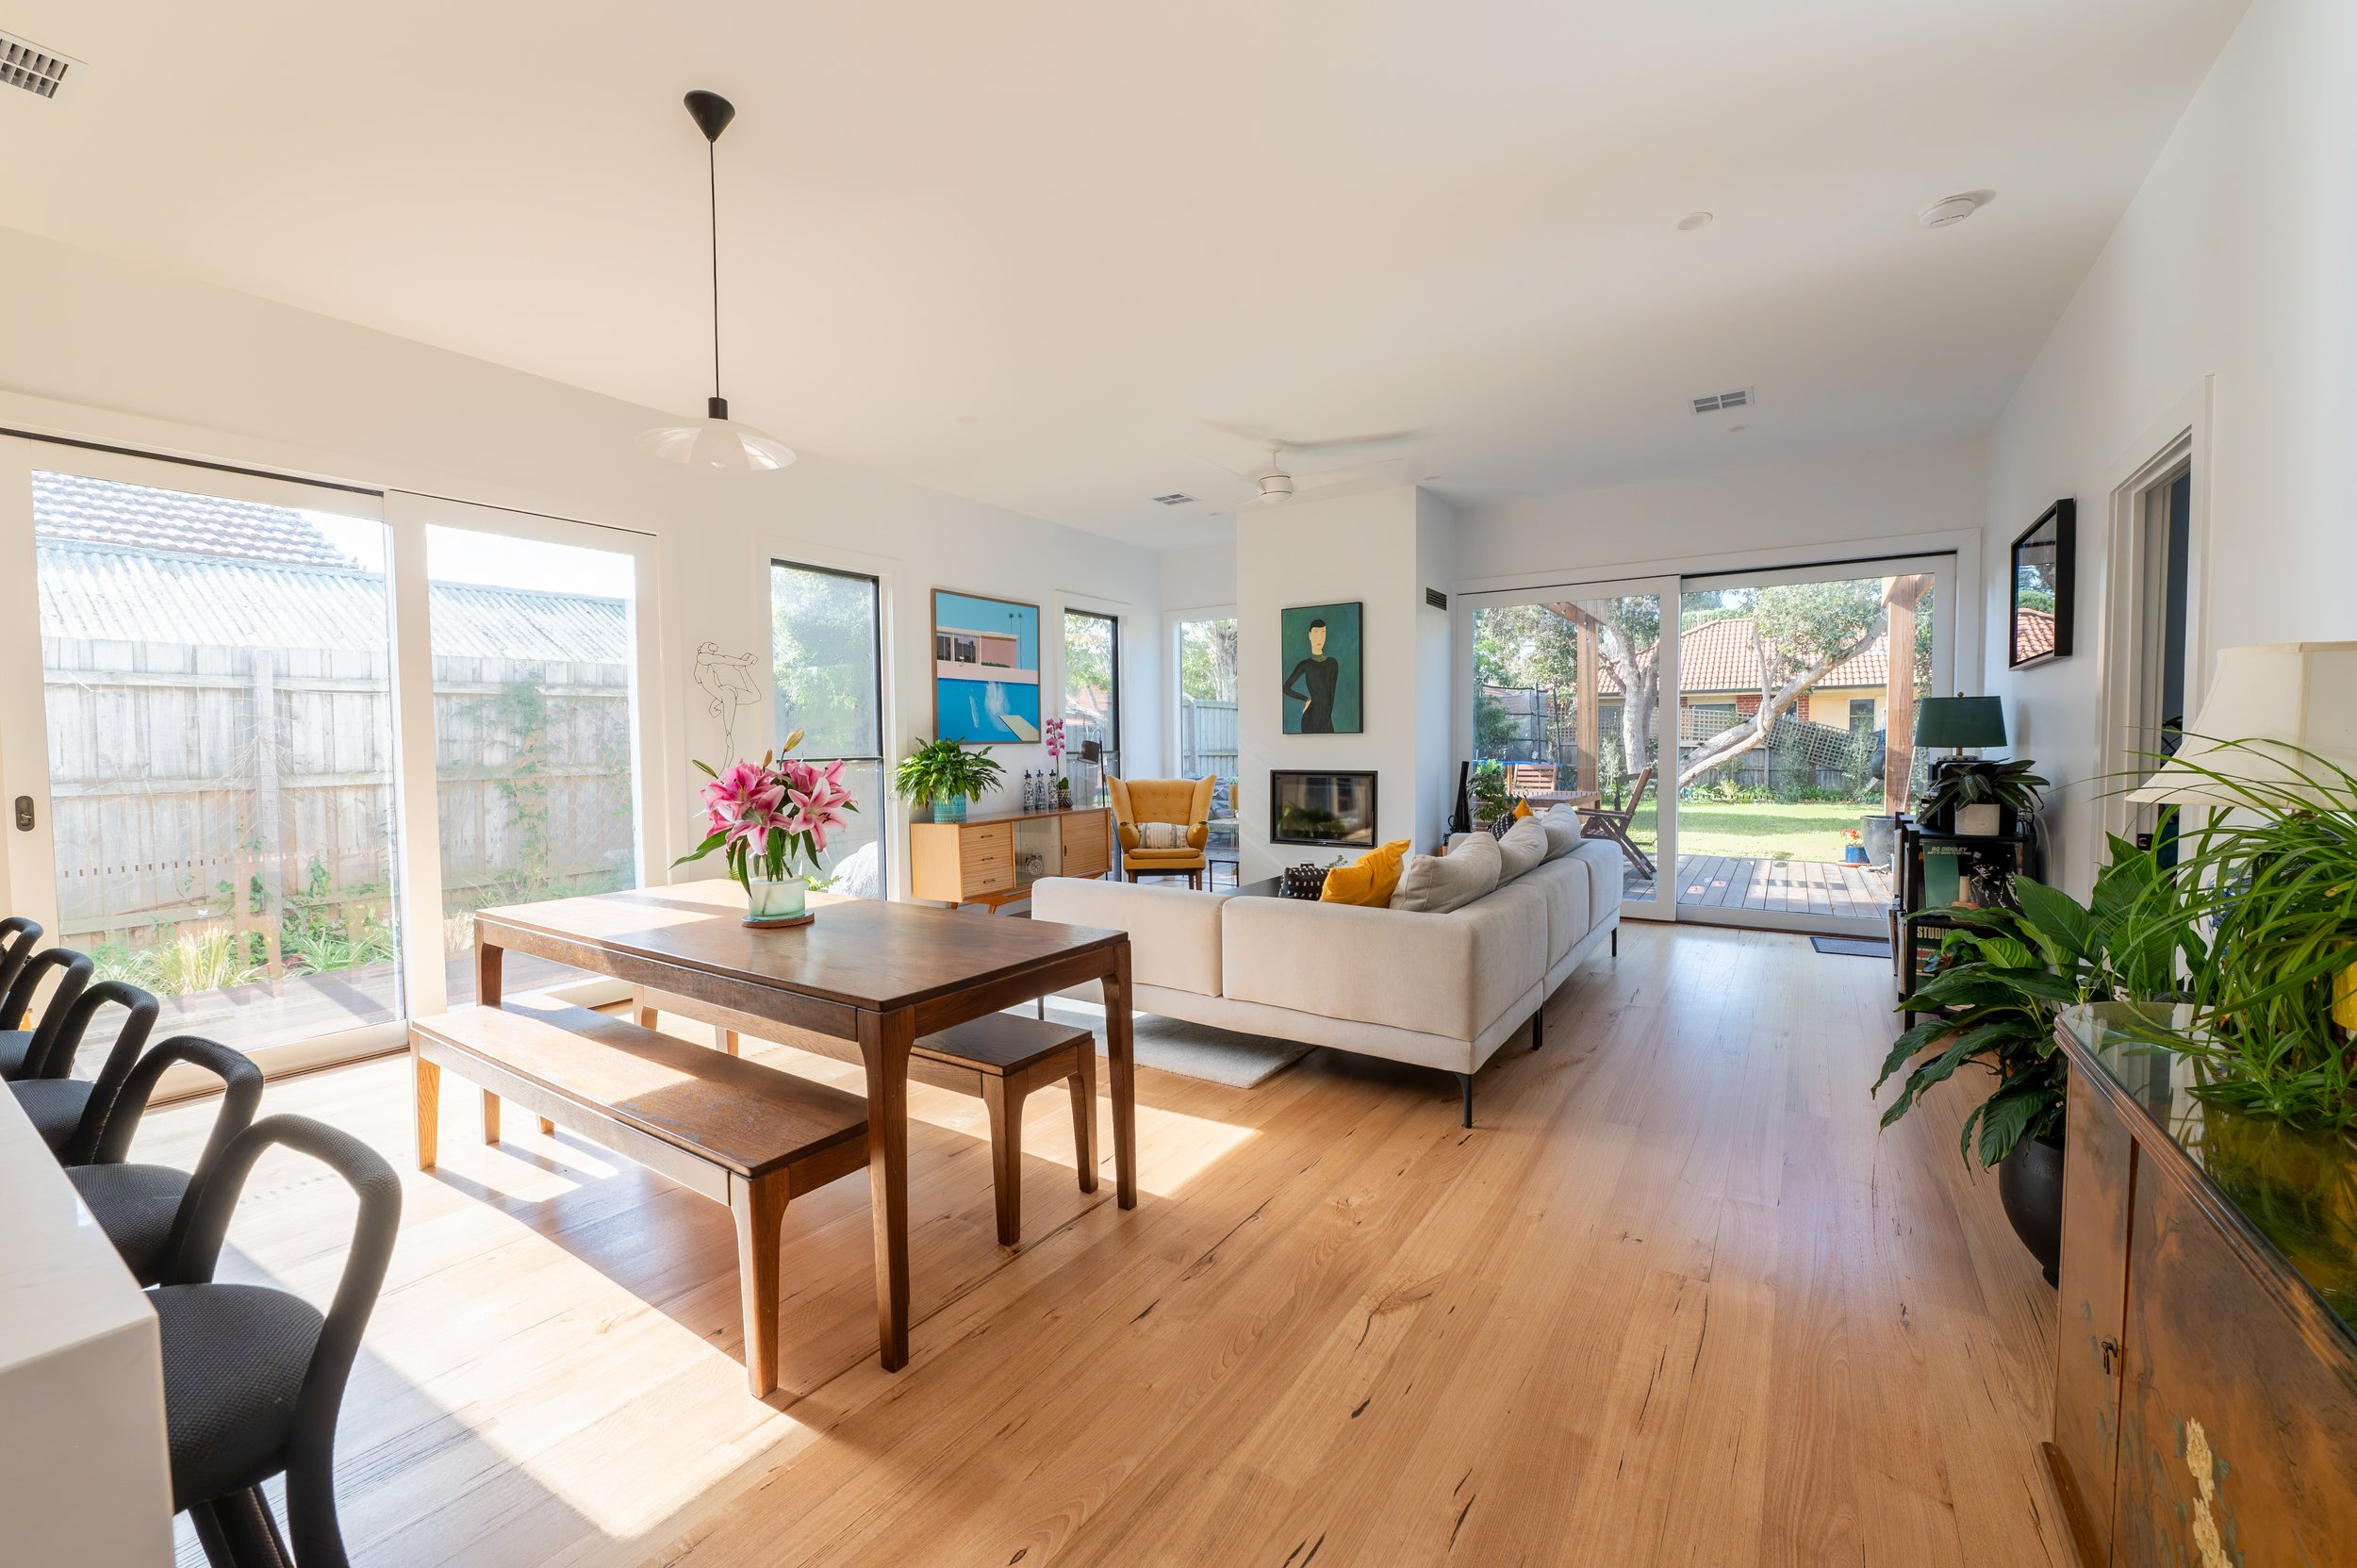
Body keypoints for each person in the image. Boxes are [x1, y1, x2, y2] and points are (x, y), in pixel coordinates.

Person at [1283, 619, 1340, 733]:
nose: (1319, 638)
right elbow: (1285, 688)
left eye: (1323, 633)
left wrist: (1327, 721)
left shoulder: (1332, 663)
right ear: (1310, 635)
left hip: (1326, 722)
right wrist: (1307, 700)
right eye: (1316, 633)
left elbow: (1330, 699)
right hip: (1309, 720)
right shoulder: (1305, 665)